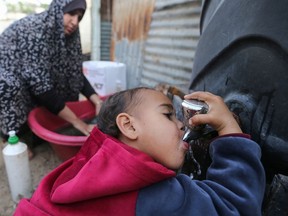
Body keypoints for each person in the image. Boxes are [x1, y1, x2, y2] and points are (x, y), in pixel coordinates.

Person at [14, 87, 266, 215]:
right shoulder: (159, 195)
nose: (181, 124)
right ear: (129, 125)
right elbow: (234, 208)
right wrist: (230, 129)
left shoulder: (81, 167)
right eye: (168, 115)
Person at [0, 0, 102, 150]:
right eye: (71, 13)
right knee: (10, 85)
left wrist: (97, 101)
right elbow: (40, 84)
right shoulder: (34, 29)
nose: (75, 22)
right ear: (58, 10)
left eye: (79, 17)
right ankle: (11, 138)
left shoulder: (68, 36)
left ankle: (38, 127)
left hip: (30, 70)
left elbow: (74, 72)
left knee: (57, 77)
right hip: (8, 69)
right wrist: (78, 122)